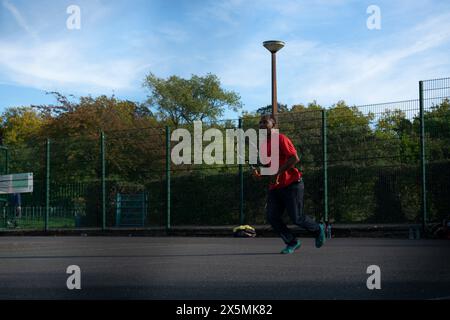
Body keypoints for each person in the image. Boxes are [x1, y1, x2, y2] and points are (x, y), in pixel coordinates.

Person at [253, 114, 326, 254]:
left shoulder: (281, 138)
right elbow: (271, 167)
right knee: (272, 217)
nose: (261, 125)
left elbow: (294, 158)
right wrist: (260, 174)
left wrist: (278, 174)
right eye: (260, 123)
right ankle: (292, 242)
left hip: (292, 184)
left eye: (265, 122)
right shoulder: (263, 145)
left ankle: (318, 229)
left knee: (297, 218)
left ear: (273, 125)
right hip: (276, 187)